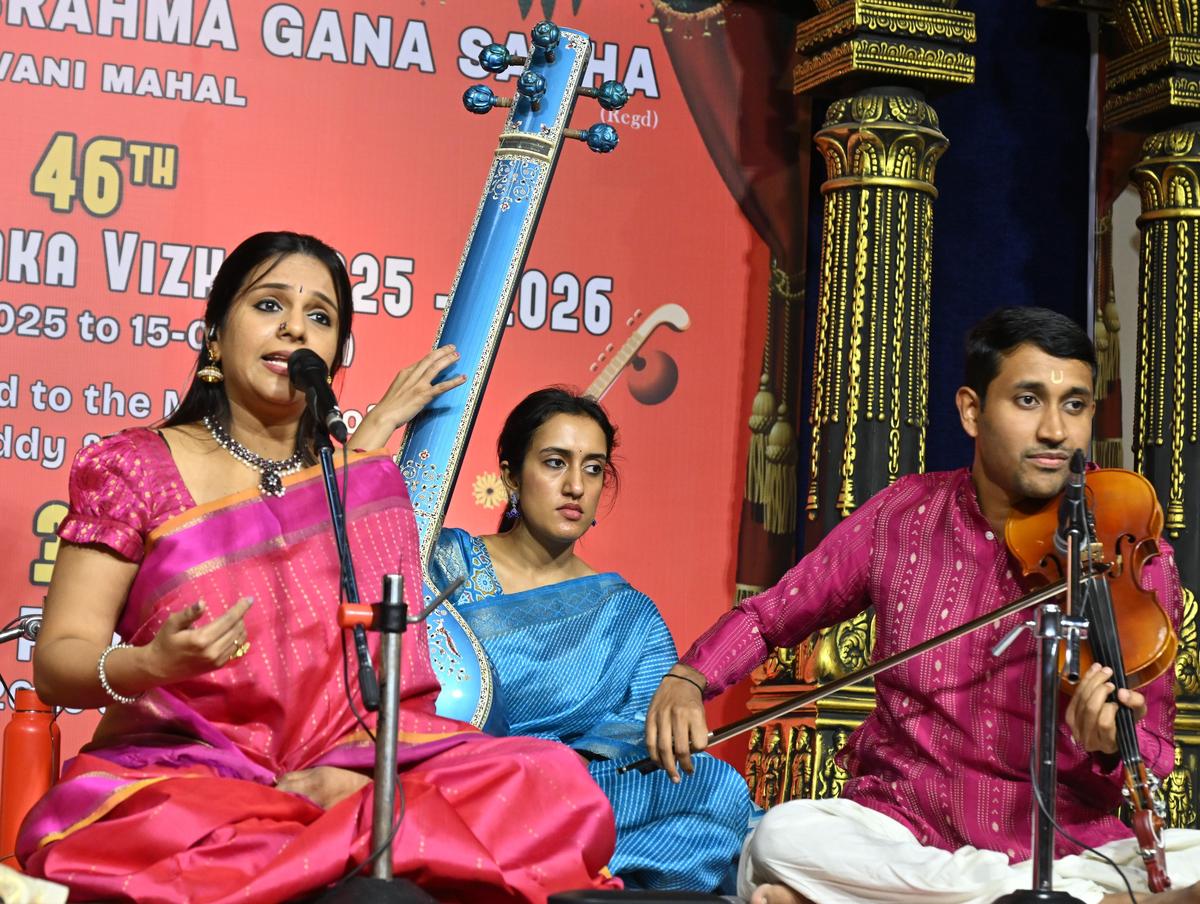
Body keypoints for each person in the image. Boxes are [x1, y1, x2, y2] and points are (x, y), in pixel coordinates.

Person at [21, 231, 620, 903]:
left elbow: (399, 690)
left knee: (551, 781)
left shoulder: (363, 488)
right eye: (269, 304)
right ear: (215, 335)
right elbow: (58, 663)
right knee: (194, 831)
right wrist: (150, 666)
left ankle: (353, 817)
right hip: (193, 774)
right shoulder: (133, 467)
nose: (294, 329)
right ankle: (359, 829)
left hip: (351, 766)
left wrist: (366, 778)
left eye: (319, 316)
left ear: (334, 356)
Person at [644, 307, 1200, 904]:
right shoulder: (900, 517)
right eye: (1029, 400)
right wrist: (690, 675)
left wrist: (1110, 745)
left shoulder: (1128, 550)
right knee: (781, 838)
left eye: (1075, 406)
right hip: (905, 829)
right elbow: (774, 612)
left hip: (1065, 839)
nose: (1055, 433)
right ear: (971, 410)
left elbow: (1155, 746)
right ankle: (1030, 898)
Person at [428, 388, 753, 891]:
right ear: (511, 474)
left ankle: (557, 865)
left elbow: (645, 732)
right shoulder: (449, 565)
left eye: (594, 468)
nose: (576, 486)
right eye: (555, 463)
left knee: (716, 788)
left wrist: (566, 767)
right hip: (468, 778)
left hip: (572, 788)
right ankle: (562, 867)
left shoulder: (630, 614)